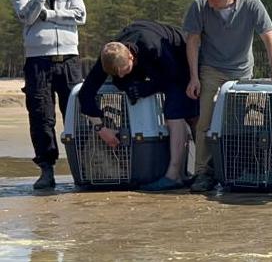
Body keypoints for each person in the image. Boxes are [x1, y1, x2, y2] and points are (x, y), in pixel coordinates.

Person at [183, 0, 272, 193]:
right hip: (211, 69)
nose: (210, 4)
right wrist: (194, 77)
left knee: (246, 121)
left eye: (214, 0)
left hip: (242, 71)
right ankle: (203, 172)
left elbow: (268, 37)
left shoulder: (252, 5)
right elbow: (192, 42)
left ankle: (242, 168)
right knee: (205, 120)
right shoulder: (199, 6)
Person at [76, 21, 199, 191]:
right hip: (152, 64)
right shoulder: (110, 56)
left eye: (124, 70)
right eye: (115, 74)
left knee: (176, 113)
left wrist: (146, 88)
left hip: (178, 57)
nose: (120, 75)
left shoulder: (152, 47)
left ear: (131, 57)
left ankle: (176, 176)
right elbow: (85, 93)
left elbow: (174, 77)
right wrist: (101, 129)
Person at [9, 0, 86, 189]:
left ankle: (83, 167)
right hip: (38, 60)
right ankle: (46, 169)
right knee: (41, 117)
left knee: (76, 115)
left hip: (69, 58)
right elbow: (26, 17)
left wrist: (49, 15)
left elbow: (80, 15)